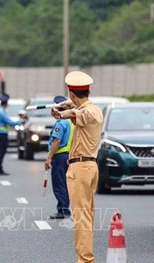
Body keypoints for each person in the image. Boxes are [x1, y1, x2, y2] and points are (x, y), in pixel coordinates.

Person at [51, 71, 103, 263]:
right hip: (90, 166)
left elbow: (76, 113)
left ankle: (85, 260)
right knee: (86, 216)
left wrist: (60, 114)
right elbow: (77, 109)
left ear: (72, 94)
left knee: (81, 218)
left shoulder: (86, 112)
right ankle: (85, 258)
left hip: (80, 168)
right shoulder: (95, 109)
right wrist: (70, 105)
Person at [45, 95, 74, 220]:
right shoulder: (70, 121)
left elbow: (57, 141)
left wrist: (49, 157)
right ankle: (65, 208)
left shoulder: (60, 123)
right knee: (66, 183)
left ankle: (63, 209)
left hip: (60, 156)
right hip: (69, 155)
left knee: (59, 183)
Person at [0, 93, 25, 175]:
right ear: (6, 103)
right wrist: (21, 122)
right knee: (1, 152)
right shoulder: (1, 112)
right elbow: (9, 122)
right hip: (2, 134)